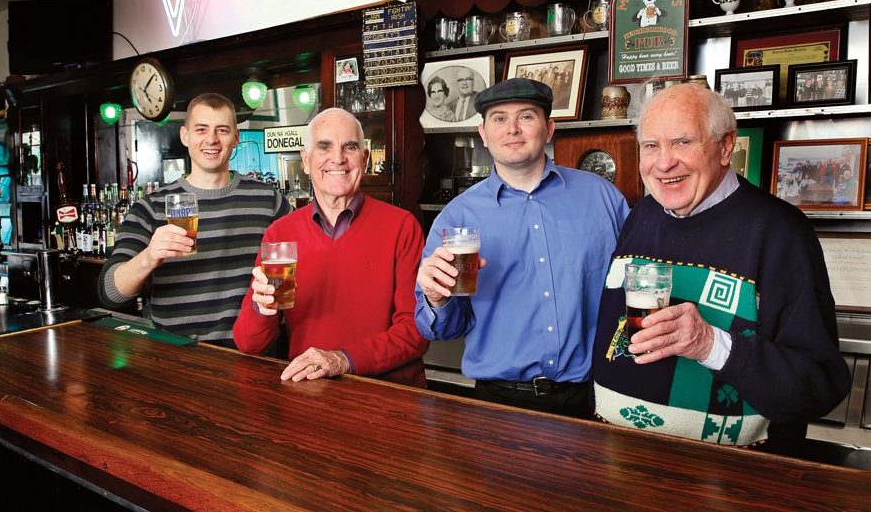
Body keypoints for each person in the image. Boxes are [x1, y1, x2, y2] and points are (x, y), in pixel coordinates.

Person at [591, 83, 850, 454]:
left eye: (682, 142)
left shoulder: (781, 232)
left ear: (727, 146)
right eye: (651, 146)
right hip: (620, 460)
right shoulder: (640, 215)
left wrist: (709, 344)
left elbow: (819, 386)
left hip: (731, 483)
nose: (663, 163)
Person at [415, 78, 628, 416]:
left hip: (593, 398)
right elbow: (443, 330)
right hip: (498, 405)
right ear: (484, 134)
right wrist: (436, 299)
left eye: (526, 117)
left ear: (549, 128)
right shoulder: (457, 217)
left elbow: (631, 290)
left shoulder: (602, 199)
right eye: (499, 119)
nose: (512, 129)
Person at [233, 108, 429, 387]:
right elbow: (248, 344)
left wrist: (343, 359)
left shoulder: (402, 226)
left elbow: (417, 331)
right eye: (324, 146)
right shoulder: (280, 232)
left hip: (390, 397)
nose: (338, 158)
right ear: (305, 159)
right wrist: (261, 306)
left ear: (365, 158)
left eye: (350, 147)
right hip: (310, 393)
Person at [99, 93, 290, 345]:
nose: (211, 139)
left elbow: (287, 285)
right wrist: (149, 257)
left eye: (222, 130)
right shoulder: (151, 207)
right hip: (176, 357)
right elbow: (110, 294)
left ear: (236, 138)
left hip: (252, 356)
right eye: (201, 129)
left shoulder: (269, 201)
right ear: (185, 136)